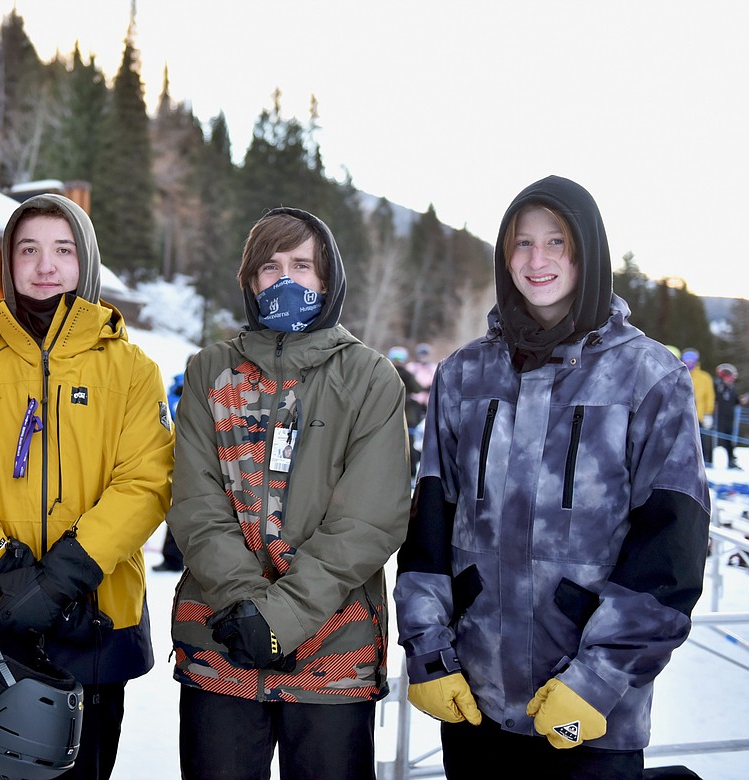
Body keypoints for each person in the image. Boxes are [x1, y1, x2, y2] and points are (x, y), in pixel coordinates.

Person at [394, 175, 710, 780]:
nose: (536, 261)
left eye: (556, 242)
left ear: (587, 252)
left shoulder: (648, 376)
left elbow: (670, 550)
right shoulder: (464, 376)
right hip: (474, 701)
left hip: (592, 715)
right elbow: (429, 530)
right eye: (521, 244)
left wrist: (599, 679)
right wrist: (430, 656)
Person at [0, 193, 174, 780]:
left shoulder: (132, 370)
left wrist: (61, 578)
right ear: (10, 262)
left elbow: (146, 482)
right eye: (28, 249)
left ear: (87, 263)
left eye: (62, 249)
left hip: (91, 621)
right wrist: (5, 565)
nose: (45, 265)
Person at [166, 207, 411, 780]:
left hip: (333, 653)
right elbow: (195, 504)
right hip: (222, 643)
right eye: (269, 267)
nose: (285, 280)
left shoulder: (371, 378)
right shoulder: (209, 373)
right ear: (250, 281)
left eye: (302, 266)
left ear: (327, 280)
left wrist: (281, 617)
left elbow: (370, 519)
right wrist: (247, 607)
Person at [155, 371, 188, 572]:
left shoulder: (177, 387)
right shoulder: (182, 387)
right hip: (181, 456)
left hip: (179, 455)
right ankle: (174, 558)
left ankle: (174, 558)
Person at [389, 345, 425, 476]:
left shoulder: (385, 370)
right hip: (405, 411)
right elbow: (417, 388)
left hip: (391, 409)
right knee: (407, 441)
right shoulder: (406, 373)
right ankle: (410, 470)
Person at [682, 348, 715, 466]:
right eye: (687, 360)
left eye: (691, 361)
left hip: (700, 415)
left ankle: (707, 460)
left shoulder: (704, 377)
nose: (689, 363)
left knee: (703, 440)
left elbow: (709, 396)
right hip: (683, 415)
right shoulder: (679, 373)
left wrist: (708, 413)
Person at [713, 363, 745, 469]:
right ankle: (708, 459)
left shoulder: (731, 388)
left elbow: (737, 401)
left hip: (729, 418)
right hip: (718, 418)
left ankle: (731, 460)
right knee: (715, 439)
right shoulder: (718, 386)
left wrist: (741, 400)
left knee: (729, 440)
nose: (731, 379)